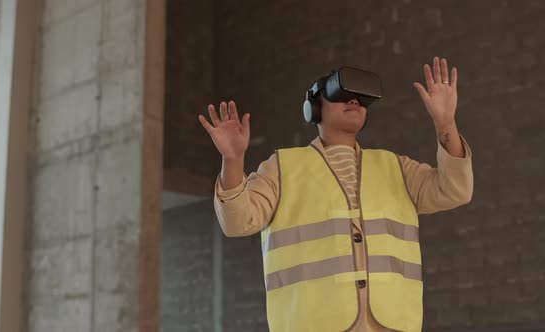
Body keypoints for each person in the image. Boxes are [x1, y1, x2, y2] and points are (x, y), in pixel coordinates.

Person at [198, 57, 473, 332]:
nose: (353, 101)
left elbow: (455, 190)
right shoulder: (282, 168)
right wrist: (232, 160)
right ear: (314, 108)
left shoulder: (396, 167)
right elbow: (237, 222)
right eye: (340, 93)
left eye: (360, 98)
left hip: (393, 324)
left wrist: (445, 124)